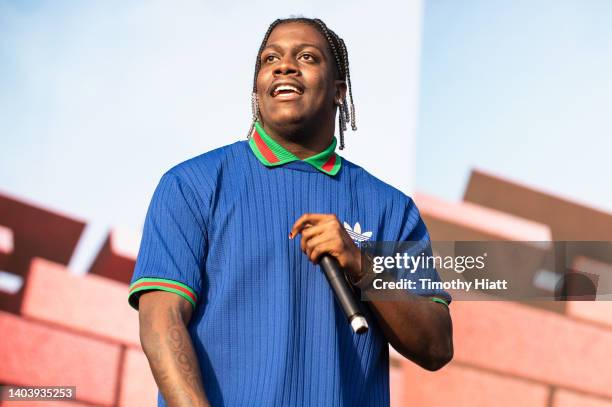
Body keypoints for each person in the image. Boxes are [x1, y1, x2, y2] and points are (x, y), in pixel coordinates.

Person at [128, 17, 453, 407]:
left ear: (338, 91)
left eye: (307, 57)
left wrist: (362, 265)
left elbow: (436, 345)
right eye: (270, 58)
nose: (284, 65)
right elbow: (161, 321)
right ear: (257, 88)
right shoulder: (190, 185)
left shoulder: (392, 208)